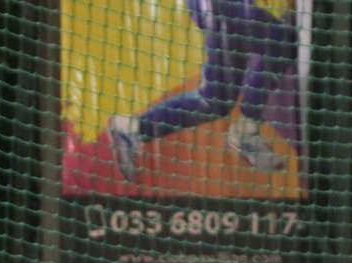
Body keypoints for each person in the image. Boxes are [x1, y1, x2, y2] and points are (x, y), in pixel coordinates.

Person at [108, 0, 296, 181]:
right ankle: (246, 130)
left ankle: (134, 128)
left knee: (215, 101)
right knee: (282, 42)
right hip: (222, 8)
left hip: (223, 9)